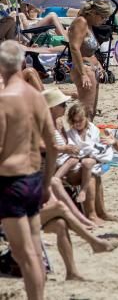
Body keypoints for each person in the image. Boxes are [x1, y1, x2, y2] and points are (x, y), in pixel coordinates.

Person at [0, 41, 57, 300]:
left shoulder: (4, 100)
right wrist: (47, 182)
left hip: (10, 181)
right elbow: (52, 144)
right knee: (35, 250)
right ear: (22, 62)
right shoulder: (36, 96)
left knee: (24, 255)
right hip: (34, 178)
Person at [67, 0, 113, 118]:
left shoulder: (89, 25)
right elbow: (74, 48)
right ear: (93, 13)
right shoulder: (80, 22)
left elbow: (88, 51)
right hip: (84, 69)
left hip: (92, 69)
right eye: (103, 17)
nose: (104, 20)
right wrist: (83, 74)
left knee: (91, 111)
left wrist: (100, 66)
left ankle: (87, 136)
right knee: (86, 112)